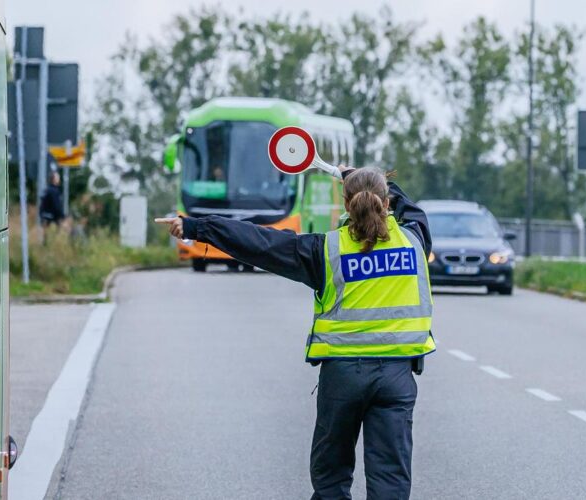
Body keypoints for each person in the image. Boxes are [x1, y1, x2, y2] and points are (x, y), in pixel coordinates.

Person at [156, 166, 435, 499]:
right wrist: (360, 175)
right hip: (396, 377)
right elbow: (413, 210)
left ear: (346, 204)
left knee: (330, 474)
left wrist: (196, 227)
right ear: (387, 201)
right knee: (391, 477)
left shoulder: (326, 251)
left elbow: (259, 243)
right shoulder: (415, 240)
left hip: (343, 377)